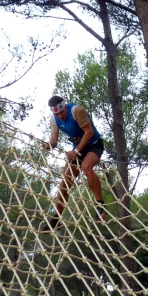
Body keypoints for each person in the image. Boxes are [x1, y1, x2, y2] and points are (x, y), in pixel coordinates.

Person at [41, 95, 106, 227]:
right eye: (57, 113)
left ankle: (101, 207)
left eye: (61, 112)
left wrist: (76, 151)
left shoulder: (76, 111)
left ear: (65, 107)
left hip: (94, 144)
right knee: (65, 181)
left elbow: (89, 132)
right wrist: (48, 145)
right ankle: (56, 219)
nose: (60, 116)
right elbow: (54, 141)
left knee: (86, 167)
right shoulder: (54, 119)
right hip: (79, 149)